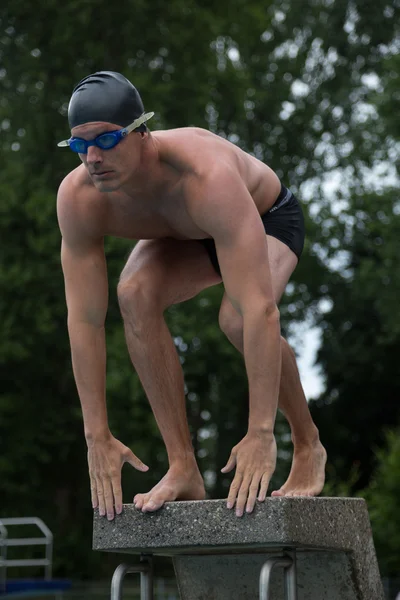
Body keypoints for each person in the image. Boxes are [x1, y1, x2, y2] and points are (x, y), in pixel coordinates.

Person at [57, 71, 326, 522]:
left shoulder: (206, 177)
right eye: (80, 146)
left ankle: (307, 442)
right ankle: (183, 466)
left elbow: (260, 310)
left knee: (237, 320)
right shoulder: (79, 199)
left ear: (142, 132)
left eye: (105, 140)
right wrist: (96, 435)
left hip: (263, 218)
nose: (93, 158)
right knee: (134, 294)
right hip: (181, 233)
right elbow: (84, 320)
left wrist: (260, 431)